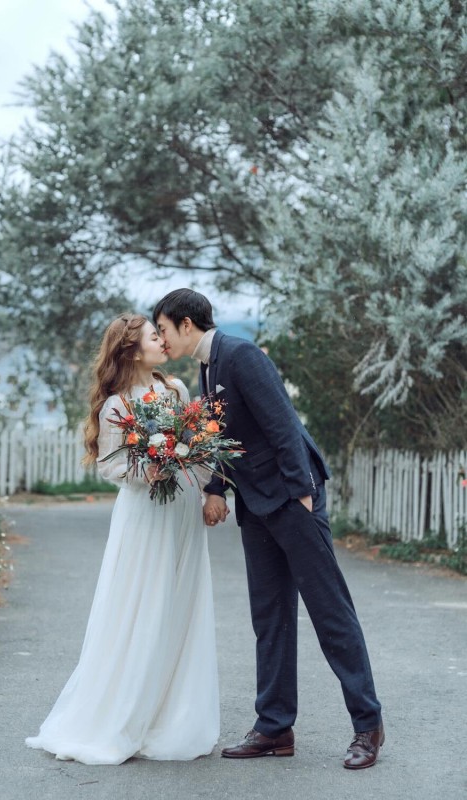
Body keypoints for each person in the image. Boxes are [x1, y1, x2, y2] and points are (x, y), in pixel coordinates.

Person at [154, 289, 384, 770]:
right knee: (270, 615)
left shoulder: (239, 355)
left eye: (163, 329)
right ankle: (275, 728)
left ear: (186, 325)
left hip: (291, 497)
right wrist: (215, 488)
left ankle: (368, 726)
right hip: (256, 503)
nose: (160, 338)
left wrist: (302, 491)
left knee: (329, 612)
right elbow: (222, 434)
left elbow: (282, 422)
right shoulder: (207, 367)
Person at [25, 314, 219, 765]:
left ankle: (175, 715)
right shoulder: (116, 405)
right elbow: (110, 465)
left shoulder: (176, 391)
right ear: (132, 350)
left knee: (180, 604)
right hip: (146, 514)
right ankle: (125, 715)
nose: (163, 341)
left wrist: (210, 489)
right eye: (155, 336)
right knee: (143, 605)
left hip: (183, 511)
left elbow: (203, 446)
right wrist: (146, 469)